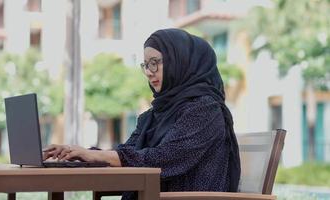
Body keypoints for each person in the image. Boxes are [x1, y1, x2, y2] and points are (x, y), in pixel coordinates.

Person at [43, 28, 241, 200]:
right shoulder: (153, 115)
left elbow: (162, 159)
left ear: (180, 62)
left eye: (155, 62)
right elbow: (129, 154)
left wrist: (94, 155)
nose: (149, 72)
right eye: (146, 64)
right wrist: (80, 154)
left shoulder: (204, 109)